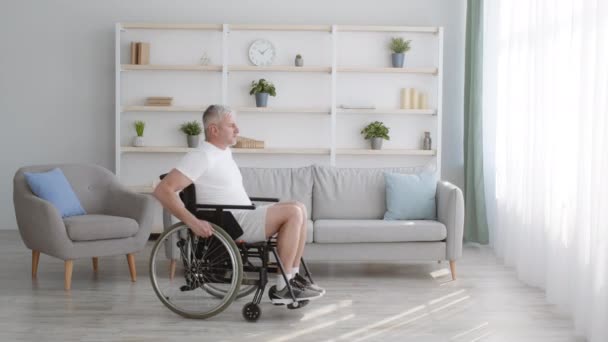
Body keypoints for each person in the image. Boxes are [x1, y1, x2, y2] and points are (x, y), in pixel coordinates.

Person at [153, 105, 324, 303]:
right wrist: (192, 222)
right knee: (293, 212)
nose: (238, 130)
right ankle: (283, 287)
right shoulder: (201, 156)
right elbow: (163, 190)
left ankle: (292, 278)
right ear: (214, 129)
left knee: (299, 206)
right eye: (231, 125)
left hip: (243, 215)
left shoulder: (222, 152)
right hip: (233, 223)